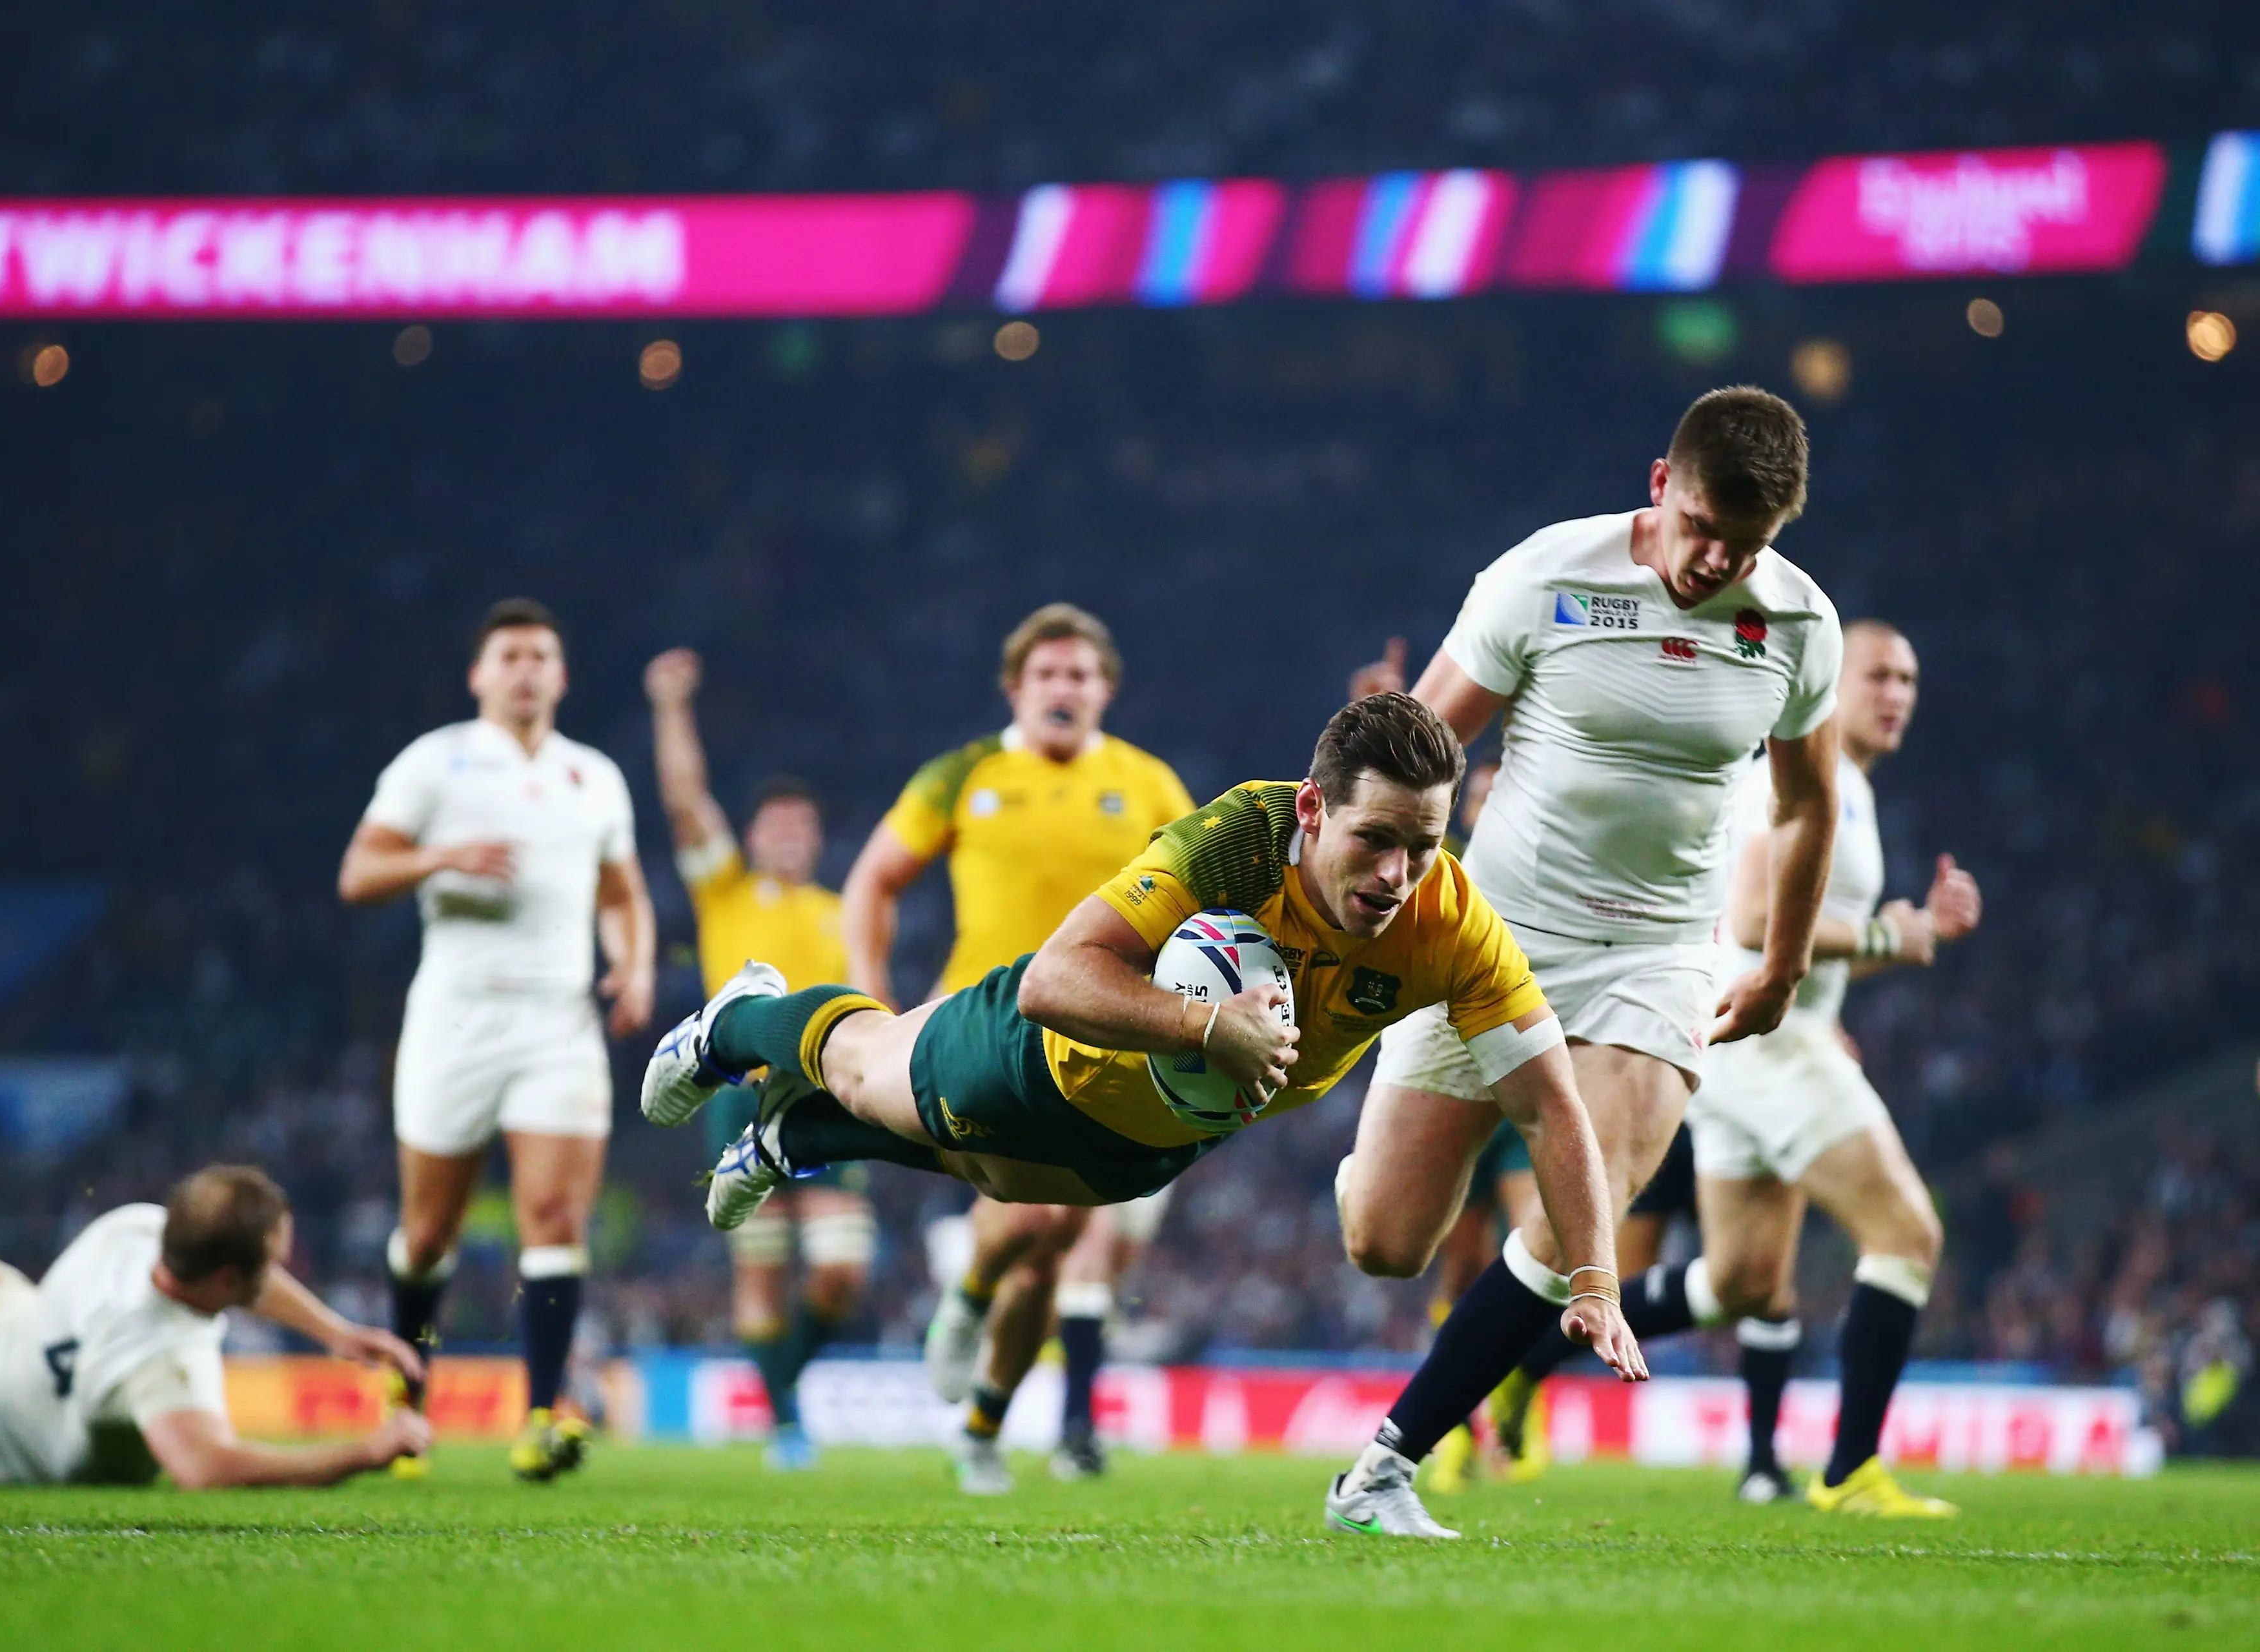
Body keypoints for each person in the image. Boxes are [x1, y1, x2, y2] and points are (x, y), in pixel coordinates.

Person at [644, 693, 1645, 1535]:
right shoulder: (1240, 841)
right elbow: (1053, 979)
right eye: (1374, 839)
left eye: (1422, 846)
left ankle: (789, 1134)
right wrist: (1210, 1028)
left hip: (1158, 1139)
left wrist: (1595, 1276)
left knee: (994, 1181)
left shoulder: (1454, 923)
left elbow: (1555, 1107)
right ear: (1311, 809)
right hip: (1039, 1056)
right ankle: (741, 1021)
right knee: (871, 1072)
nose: (1397, 875)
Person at [1331, 385, 1843, 1536]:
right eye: (1705, 523)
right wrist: (1353, 872)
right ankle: (1369, 1181)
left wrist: (1782, 966)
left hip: (1659, 952)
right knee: (1386, 1240)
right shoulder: (1545, 576)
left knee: (1586, 1210)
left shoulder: (1802, 626)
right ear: (1662, 483)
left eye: (1747, 543)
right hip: (1491, 935)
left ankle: (1387, 1464)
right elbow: (1428, 743)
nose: (1717, 558)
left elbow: (1809, 807)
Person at [837, 603, 1194, 1490]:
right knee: (1035, 1222)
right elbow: (873, 879)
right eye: (1048, 675)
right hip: (982, 1025)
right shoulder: (966, 773)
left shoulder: (1150, 784)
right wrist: (868, 993)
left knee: (1059, 1242)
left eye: (1080, 675)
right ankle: (964, 1299)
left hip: (1101, 1036)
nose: (1064, 689)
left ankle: (986, 1417)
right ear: (1017, 688)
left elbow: (1209, 899)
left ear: (1106, 688)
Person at [338, 597, 655, 1482]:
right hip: (456, 1016)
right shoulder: (434, 763)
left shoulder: (593, 775)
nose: (526, 668)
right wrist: (441, 857)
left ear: (562, 675)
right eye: (510, 653)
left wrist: (633, 966)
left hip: (558, 1019)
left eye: (541, 655)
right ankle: (407, 1399)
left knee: (554, 1219)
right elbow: (359, 870)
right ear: (480, 673)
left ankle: (544, 1412)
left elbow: (622, 890)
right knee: (428, 1229)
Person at [1688, 618, 1977, 1513]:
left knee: (1739, 1280)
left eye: (1911, 681)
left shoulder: (1846, 787)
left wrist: (1911, 935)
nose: (1898, 695)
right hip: (1767, 1038)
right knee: (1908, 1233)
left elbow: (1803, 938)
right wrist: (1893, 931)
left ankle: (1532, 1342)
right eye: (1880, 675)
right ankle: (1850, 1469)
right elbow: (1750, 918)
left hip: (1738, 1042)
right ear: (1832, 680)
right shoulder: (1797, 774)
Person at [0, 1167, 429, 1487]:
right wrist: (365, 1451)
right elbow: (206, 1466)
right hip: (18, 1458)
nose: (282, 1276)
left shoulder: (136, 1228)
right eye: (271, 1266)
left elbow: (247, 1275)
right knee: (82, 1399)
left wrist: (335, 1332)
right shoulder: (163, 1366)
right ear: (228, 1282)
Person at [644, 646, 872, 1473]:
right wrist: (671, 705)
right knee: (763, 1269)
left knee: (842, 1271)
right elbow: (683, 803)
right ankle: (785, 1424)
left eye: (800, 826)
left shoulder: (842, 911)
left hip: (826, 1092)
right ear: (753, 836)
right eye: (774, 824)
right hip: (743, 1092)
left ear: (815, 839)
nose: (788, 835)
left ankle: (784, 1395)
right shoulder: (727, 892)